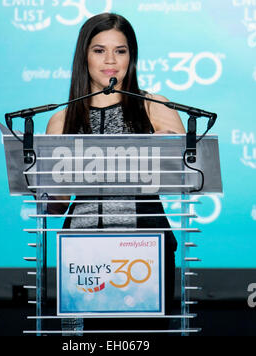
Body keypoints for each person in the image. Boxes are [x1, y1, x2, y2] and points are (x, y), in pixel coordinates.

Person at [46, 13, 185, 334]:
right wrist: (37, 184)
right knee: (83, 341)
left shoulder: (154, 106)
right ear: (84, 55)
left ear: (131, 56)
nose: (110, 60)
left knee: (143, 339)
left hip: (145, 249)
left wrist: (165, 147)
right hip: (82, 251)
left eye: (120, 51)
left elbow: (184, 173)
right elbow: (56, 205)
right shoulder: (61, 120)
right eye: (99, 50)